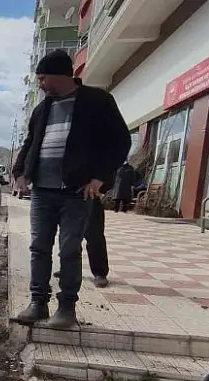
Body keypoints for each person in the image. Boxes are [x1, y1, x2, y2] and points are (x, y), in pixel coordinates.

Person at [12, 50, 131, 328]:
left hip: (77, 192)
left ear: (61, 74)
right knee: (39, 247)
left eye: (43, 78)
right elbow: (30, 142)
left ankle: (66, 309)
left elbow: (120, 142)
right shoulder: (42, 108)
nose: (40, 84)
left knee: (69, 249)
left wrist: (100, 178)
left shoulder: (97, 101)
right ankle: (38, 303)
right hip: (42, 190)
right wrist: (19, 173)